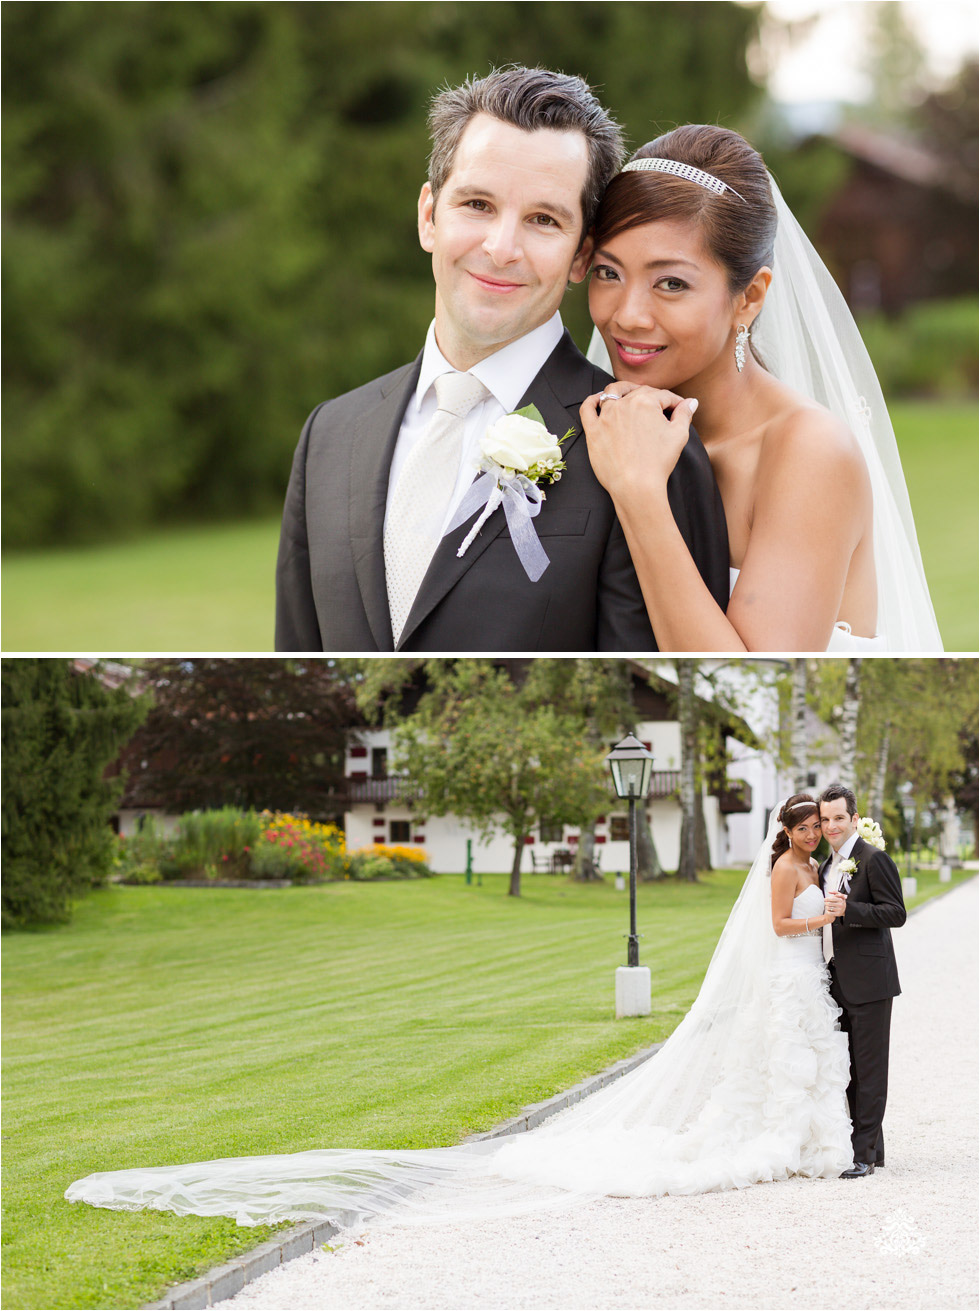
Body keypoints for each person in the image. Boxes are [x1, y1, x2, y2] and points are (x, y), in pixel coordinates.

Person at [65, 795, 852, 1227]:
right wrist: (823, 916)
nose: (814, 832)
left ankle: (804, 1136)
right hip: (787, 974)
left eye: (818, 823)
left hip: (799, 983)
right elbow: (782, 924)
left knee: (795, 1059)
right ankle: (776, 1137)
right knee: (775, 1058)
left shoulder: (810, 860)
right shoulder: (786, 869)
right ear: (786, 829)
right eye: (807, 823)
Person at [274, 70, 729, 652]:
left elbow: (643, 705)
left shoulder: (649, 448)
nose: (501, 248)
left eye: (543, 219)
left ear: (580, 254)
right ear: (428, 216)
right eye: (477, 204)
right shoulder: (328, 437)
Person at [582, 124, 944, 653]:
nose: (628, 316)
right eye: (608, 273)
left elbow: (751, 695)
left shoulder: (808, 453)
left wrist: (638, 495)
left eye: (672, 283)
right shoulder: (602, 427)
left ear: (749, 297)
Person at [818, 782, 906, 1177]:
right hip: (836, 980)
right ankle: (873, 1148)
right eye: (825, 819)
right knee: (848, 1068)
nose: (831, 826)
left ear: (854, 819)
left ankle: (864, 1156)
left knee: (870, 1068)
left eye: (839, 818)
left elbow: (895, 912)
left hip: (870, 981)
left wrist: (849, 910)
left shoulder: (873, 859)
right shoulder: (825, 865)